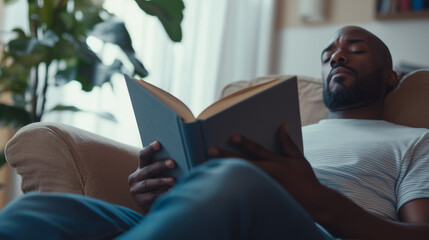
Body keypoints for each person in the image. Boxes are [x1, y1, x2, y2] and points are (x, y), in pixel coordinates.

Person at [1, 25, 429, 239]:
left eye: (355, 49)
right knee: (40, 213)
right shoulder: (292, 132)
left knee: (236, 179)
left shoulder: (413, 140)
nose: (337, 57)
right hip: (227, 215)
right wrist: (161, 194)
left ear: (391, 78)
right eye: (329, 53)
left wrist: (317, 198)